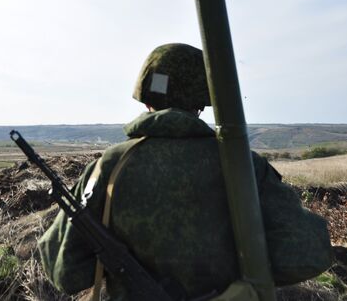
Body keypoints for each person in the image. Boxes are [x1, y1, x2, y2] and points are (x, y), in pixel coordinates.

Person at [38, 43, 332, 300]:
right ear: (201, 101)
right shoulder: (242, 164)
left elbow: (66, 273)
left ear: (145, 99)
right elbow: (308, 254)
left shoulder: (109, 166)